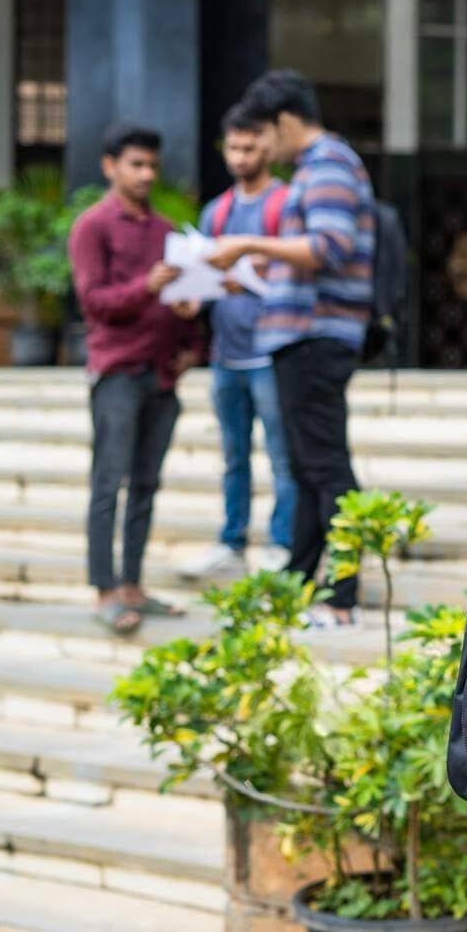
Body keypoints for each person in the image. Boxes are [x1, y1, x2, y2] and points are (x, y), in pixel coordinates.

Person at [206, 70, 375, 627]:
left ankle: (342, 597)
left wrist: (250, 243)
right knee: (306, 469)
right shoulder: (318, 166)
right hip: (302, 333)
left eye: (265, 134)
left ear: (283, 123)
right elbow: (312, 249)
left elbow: (329, 246)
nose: (264, 150)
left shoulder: (327, 163)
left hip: (315, 334)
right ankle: (301, 587)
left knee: (325, 468)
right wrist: (260, 265)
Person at [68, 123, 201, 635]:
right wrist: (146, 285)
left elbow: (184, 303)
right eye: (135, 165)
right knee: (109, 483)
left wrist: (192, 339)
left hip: (163, 378)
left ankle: (133, 586)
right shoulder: (92, 227)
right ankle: (105, 590)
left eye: (152, 165)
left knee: (146, 485)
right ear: (110, 167)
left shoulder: (168, 232)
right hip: (117, 375)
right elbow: (94, 302)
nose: (146, 174)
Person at [179, 104, 297, 580]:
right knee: (233, 455)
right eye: (233, 147)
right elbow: (204, 275)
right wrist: (188, 298)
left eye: (250, 147)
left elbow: (296, 269)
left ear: (267, 148)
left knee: (282, 455)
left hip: (272, 351)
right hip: (226, 355)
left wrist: (248, 277)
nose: (241, 156)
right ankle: (231, 540)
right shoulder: (218, 211)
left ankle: (281, 542)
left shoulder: (284, 203)